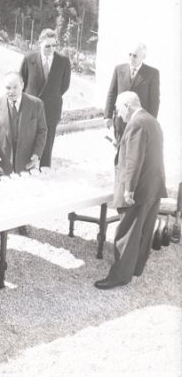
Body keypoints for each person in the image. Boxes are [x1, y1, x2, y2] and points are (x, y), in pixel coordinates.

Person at [94, 91, 167, 290]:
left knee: (126, 233)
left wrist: (129, 189)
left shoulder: (136, 123)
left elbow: (134, 160)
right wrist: (120, 146)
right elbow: (144, 151)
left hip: (139, 188)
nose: (118, 114)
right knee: (143, 231)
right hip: (153, 186)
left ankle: (119, 276)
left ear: (127, 106)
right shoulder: (150, 120)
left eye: (119, 110)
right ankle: (135, 268)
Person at [20, 28, 71, 167]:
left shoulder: (63, 61)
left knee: (46, 148)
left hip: (51, 109)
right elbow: (22, 83)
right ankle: (25, 171)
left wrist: (51, 97)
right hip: (30, 109)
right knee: (28, 145)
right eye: (47, 46)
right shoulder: (29, 59)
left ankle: (44, 172)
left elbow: (64, 86)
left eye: (54, 45)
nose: (51, 49)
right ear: (39, 44)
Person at [0, 71, 47, 176]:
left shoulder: (36, 104)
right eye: (8, 88)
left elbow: (42, 131)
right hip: (1, 163)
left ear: (22, 85)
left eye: (15, 87)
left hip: (26, 163)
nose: (11, 91)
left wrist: (37, 154)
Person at [104, 43, 160, 141]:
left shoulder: (152, 73)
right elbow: (112, 93)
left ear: (143, 56)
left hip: (139, 123)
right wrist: (107, 116)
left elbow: (154, 101)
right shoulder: (119, 69)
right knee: (119, 147)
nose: (131, 58)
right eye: (129, 54)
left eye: (135, 55)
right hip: (120, 120)